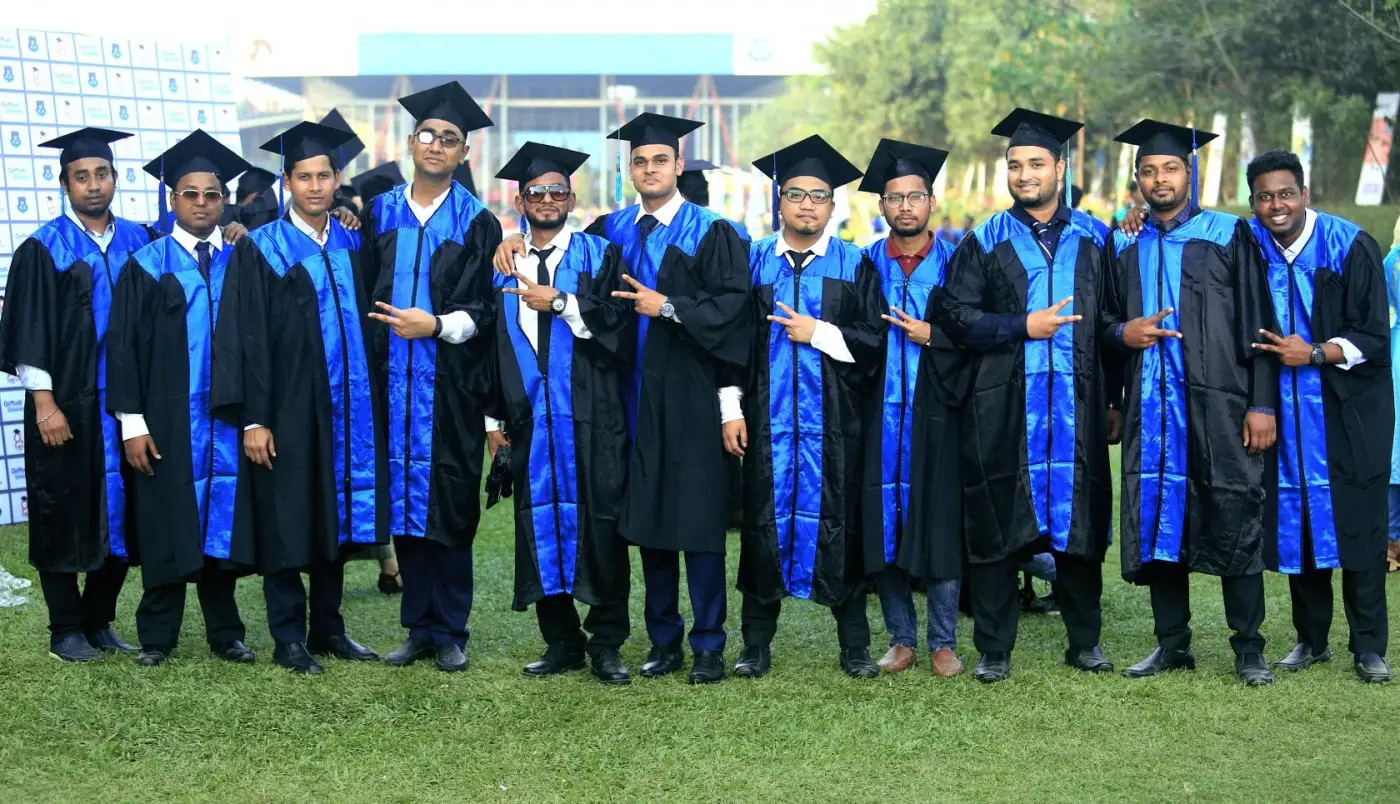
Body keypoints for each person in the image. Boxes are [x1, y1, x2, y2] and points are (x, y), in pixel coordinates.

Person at [493, 113, 751, 685]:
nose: (650, 169)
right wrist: (510, 239)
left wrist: (673, 311)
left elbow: (735, 317)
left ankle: (709, 643)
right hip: (622, 400)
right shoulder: (609, 230)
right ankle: (664, 641)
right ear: (628, 169)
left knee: (699, 523)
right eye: (640, 160)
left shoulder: (714, 232)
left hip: (689, 394)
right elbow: (553, 243)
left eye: (660, 159)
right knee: (646, 523)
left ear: (679, 165)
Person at [933, 109, 1117, 683]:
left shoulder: (1096, 237)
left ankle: (1084, 643)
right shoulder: (984, 240)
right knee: (996, 526)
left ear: (1060, 168)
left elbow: (1111, 322)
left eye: (1035, 163)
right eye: (1015, 165)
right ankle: (994, 649)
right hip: (1002, 406)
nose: (1024, 174)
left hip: (1078, 405)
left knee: (1079, 528)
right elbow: (955, 316)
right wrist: (1022, 326)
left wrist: (1114, 400)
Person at [1107, 119, 1278, 686]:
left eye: (1171, 168)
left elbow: (1260, 323)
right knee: (1159, 518)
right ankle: (1172, 644)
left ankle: (1249, 648)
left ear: (1190, 172)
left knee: (1235, 511)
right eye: (1149, 170)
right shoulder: (1124, 241)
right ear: (1138, 179)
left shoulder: (1231, 234)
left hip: (1221, 408)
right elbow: (1105, 322)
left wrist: (1262, 404)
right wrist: (1121, 336)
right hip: (1151, 410)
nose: (1160, 179)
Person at [213, 121, 387, 674]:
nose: (315, 186)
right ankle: (288, 636)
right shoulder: (261, 247)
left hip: (348, 408)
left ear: (337, 179)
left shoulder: (352, 241)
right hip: (286, 409)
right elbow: (242, 336)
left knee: (335, 514)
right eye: (304, 177)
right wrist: (253, 420)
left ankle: (329, 627)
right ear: (286, 182)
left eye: (324, 176)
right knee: (286, 515)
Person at [724, 135, 886, 679]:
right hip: (765, 423)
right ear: (780, 201)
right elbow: (730, 343)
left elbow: (874, 342)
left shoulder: (855, 263)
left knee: (842, 527)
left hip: (836, 425)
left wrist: (818, 332)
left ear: (832, 205)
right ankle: (755, 645)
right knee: (762, 529)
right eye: (796, 194)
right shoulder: (752, 262)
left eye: (819, 195)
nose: (807, 205)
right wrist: (730, 408)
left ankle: (855, 646)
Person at [0, 127, 155, 661]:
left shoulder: (140, 240)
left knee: (126, 513)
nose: (93, 185)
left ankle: (99, 620)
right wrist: (44, 404)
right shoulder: (44, 248)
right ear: (64, 184)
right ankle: (65, 629)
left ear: (115, 178)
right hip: (67, 404)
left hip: (127, 406)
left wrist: (232, 225)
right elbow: (28, 330)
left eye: (102, 174)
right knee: (62, 511)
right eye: (81, 176)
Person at [360, 82, 499, 674]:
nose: (437, 145)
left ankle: (451, 629)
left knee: (450, 503)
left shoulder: (478, 221)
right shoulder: (379, 211)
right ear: (410, 143)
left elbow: (485, 310)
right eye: (428, 135)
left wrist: (436, 325)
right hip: (388, 386)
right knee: (402, 504)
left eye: (449, 138)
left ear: (464, 152)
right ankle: (418, 626)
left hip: (451, 388)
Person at [106, 130, 257, 667]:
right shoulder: (147, 264)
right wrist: (132, 424)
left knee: (222, 523)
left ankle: (226, 633)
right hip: (167, 420)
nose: (201, 203)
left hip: (228, 421)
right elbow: (123, 349)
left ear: (224, 200)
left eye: (211, 194)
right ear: (172, 199)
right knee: (165, 520)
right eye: (190, 194)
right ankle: (157, 636)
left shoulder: (242, 260)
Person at [485, 142, 634, 684]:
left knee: (603, 527)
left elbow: (620, 326)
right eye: (535, 192)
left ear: (571, 198)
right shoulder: (503, 264)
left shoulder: (599, 255)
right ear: (520, 201)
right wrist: (492, 423)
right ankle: (562, 641)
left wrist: (564, 303)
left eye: (556, 191)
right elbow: (491, 347)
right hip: (530, 421)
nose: (546, 199)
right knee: (539, 521)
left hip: (594, 417)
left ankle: (607, 643)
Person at [1243, 149, 1393, 683]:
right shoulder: (1247, 243)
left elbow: (1374, 336)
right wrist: (1136, 216)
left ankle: (1369, 647)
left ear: (1304, 194)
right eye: (1264, 197)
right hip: (1284, 413)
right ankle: (1311, 639)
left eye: (1286, 193)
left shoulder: (1349, 244)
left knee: (1360, 524)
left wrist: (1312, 353)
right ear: (1253, 202)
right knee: (1298, 520)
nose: (1276, 205)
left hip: (1349, 411)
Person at [855, 138, 965, 677]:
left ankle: (943, 642)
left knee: (940, 523)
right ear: (882, 205)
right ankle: (902, 638)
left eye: (915, 196)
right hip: (876, 412)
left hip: (939, 411)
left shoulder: (958, 263)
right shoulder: (863, 265)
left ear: (931, 202)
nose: (905, 206)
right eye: (895, 198)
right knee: (884, 523)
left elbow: (978, 333)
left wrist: (935, 335)